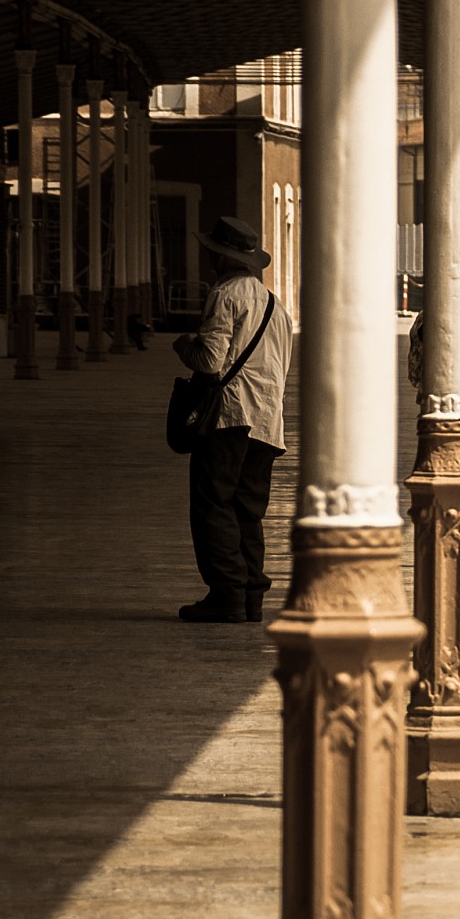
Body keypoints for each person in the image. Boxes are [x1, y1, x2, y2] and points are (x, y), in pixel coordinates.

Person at [171, 217, 292, 623]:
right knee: (247, 510)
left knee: (212, 505)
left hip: (229, 418)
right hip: (268, 422)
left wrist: (184, 346)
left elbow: (209, 362)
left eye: (210, 250)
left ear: (221, 257)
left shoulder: (224, 295)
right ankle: (251, 595)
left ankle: (226, 595)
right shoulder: (278, 307)